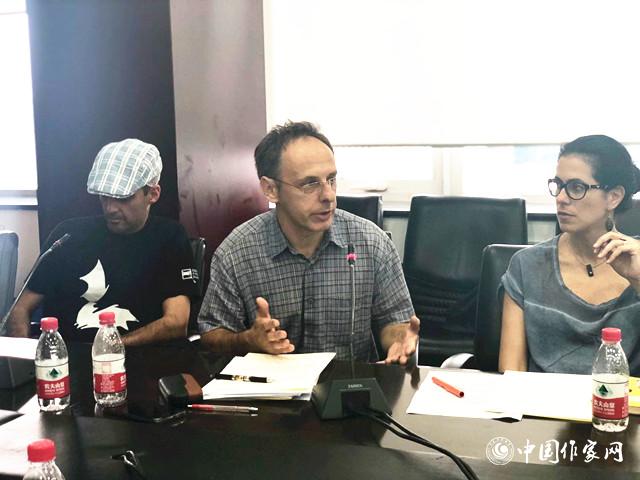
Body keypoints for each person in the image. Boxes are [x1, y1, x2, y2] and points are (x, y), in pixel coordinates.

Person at [197, 121, 419, 364]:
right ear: (271, 189)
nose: (328, 195)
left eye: (331, 180)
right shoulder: (236, 252)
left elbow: (395, 322)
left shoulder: (371, 243)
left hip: (350, 384)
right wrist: (247, 340)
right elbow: (212, 335)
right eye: (310, 184)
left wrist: (400, 339)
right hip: (273, 385)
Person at [6, 138, 198, 346]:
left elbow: (176, 322)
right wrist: (23, 357)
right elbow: (20, 309)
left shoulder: (169, 237)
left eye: (123, 198)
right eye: (104, 197)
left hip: (138, 358)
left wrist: (110, 349)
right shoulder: (67, 235)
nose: (110, 208)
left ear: (152, 194)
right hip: (65, 358)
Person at [499, 134, 640, 375]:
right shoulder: (527, 265)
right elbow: (511, 369)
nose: (561, 199)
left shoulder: (637, 259)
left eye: (577, 187)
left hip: (620, 398)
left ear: (614, 197)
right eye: (559, 185)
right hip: (540, 399)